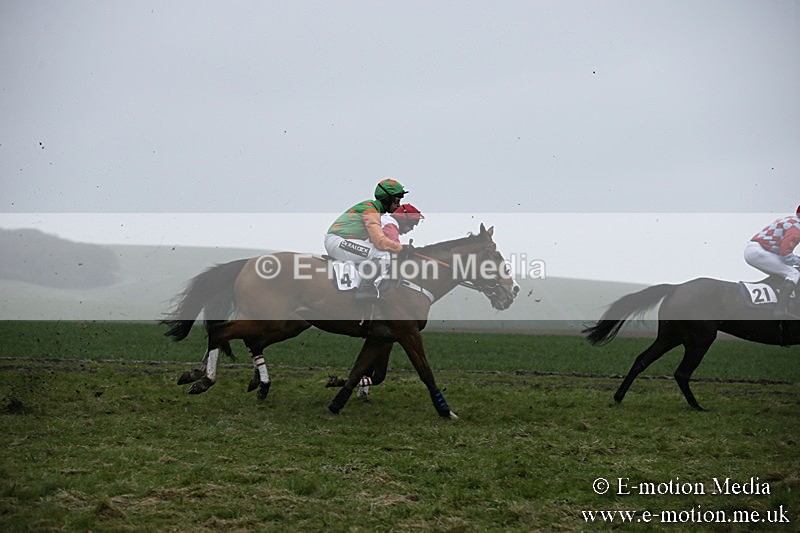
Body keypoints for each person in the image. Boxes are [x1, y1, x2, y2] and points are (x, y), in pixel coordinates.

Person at [324, 178, 411, 299]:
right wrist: (400, 248)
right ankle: (365, 289)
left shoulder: (374, 209)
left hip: (341, 241)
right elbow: (380, 242)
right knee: (382, 255)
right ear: (387, 199)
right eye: (397, 200)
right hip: (338, 242)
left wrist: (397, 247)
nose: (399, 205)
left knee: (378, 253)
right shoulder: (371, 211)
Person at [744, 205, 800, 319]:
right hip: (760, 252)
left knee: (783, 272)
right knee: (793, 273)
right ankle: (780, 310)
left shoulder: (791, 220)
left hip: (758, 249)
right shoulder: (796, 230)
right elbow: (785, 255)